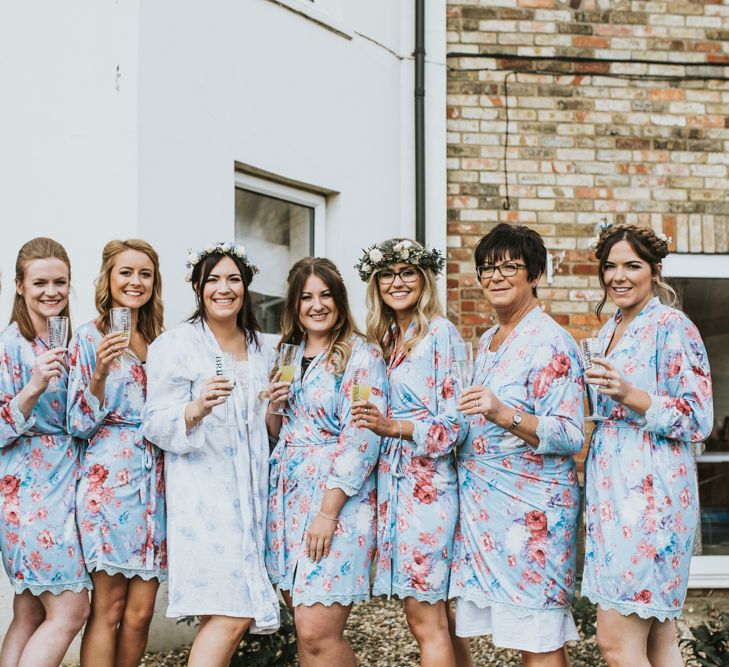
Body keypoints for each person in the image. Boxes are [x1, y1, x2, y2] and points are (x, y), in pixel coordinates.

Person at [449, 223, 584, 667]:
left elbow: (569, 433)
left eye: (510, 266)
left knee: (538, 635)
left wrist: (502, 412)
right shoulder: (488, 341)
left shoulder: (551, 341)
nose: (497, 276)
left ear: (536, 274)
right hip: (487, 511)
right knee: (503, 630)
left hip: (534, 512)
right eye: (488, 268)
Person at [141, 242, 279, 667]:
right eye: (213, 280)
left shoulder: (264, 348)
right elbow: (154, 422)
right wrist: (197, 408)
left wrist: (276, 405)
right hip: (204, 501)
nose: (224, 288)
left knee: (231, 613)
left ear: (246, 287)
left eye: (233, 279)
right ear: (198, 287)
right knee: (231, 613)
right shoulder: (175, 345)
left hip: (254, 499)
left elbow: (269, 428)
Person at [582, 223, 713, 667]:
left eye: (631, 265)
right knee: (658, 642)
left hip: (650, 496)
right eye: (610, 266)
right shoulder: (609, 330)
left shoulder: (672, 326)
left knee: (616, 643)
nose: (618, 276)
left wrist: (629, 394)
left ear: (654, 271)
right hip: (612, 492)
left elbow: (698, 418)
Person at [351, 238, 471, 667]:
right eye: (387, 273)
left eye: (407, 273)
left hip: (428, 488)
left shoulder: (442, 335)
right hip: (392, 483)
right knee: (438, 615)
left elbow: (458, 423)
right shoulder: (383, 337)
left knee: (424, 617)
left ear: (424, 278)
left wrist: (396, 427)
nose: (397, 282)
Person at [265, 257, 387, 667]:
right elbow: (277, 429)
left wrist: (327, 513)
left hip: (336, 504)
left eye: (325, 295)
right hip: (287, 500)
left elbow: (362, 437)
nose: (317, 305)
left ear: (339, 300)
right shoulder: (288, 353)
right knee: (304, 631)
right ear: (294, 305)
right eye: (306, 297)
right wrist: (272, 408)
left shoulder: (361, 355)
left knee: (319, 632)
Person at [67, 240, 166, 667]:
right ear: (109, 278)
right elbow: (77, 423)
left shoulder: (161, 339)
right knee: (107, 610)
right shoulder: (90, 337)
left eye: (144, 273)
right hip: (109, 481)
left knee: (141, 615)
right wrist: (100, 374)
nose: (135, 281)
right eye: (125, 272)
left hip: (156, 485)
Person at [0, 238, 91, 667]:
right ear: (20, 286)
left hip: (65, 483)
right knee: (72, 610)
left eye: (60, 282)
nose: (50, 291)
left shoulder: (70, 341)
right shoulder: (9, 347)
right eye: (39, 283)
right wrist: (33, 387)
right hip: (30, 492)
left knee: (31, 611)